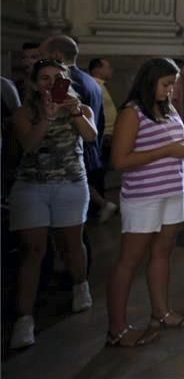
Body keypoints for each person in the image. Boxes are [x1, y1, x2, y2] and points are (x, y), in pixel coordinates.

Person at [106, 58, 184, 346]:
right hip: (143, 195)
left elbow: (171, 147)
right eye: (166, 84)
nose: (171, 90)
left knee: (162, 253)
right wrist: (167, 151)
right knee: (129, 261)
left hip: (172, 191)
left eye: (174, 84)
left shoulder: (168, 109)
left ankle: (161, 312)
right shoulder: (132, 113)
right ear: (150, 82)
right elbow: (120, 160)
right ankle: (117, 329)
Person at [9, 59, 98, 349]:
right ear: (34, 83)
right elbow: (29, 145)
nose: (50, 83)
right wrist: (46, 117)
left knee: (71, 243)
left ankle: (80, 285)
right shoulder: (24, 112)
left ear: (66, 81)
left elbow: (91, 137)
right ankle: (24, 318)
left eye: (56, 78)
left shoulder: (79, 108)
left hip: (71, 183)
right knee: (32, 250)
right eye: (44, 78)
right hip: (32, 185)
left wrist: (73, 112)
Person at [41, 36, 107, 222]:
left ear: (56, 55)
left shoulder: (68, 82)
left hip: (73, 155)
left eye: (42, 56)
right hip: (91, 151)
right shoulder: (90, 79)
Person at [89, 58, 120, 224]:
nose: (112, 70)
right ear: (97, 69)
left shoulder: (100, 85)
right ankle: (98, 208)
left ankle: (100, 206)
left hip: (106, 135)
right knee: (96, 174)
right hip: (102, 137)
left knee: (100, 173)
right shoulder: (94, 85)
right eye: (108, 67)